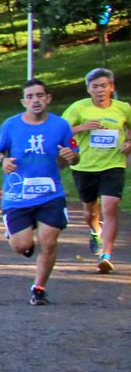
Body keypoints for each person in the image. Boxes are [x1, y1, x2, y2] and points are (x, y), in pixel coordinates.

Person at [0, 78, 80, 305]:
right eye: (30, 97)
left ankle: (39, 288)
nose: (35, 100)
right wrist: (3, 161)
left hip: (50, 194)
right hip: (17, 195)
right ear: (23, 102)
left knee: (48, 242)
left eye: (40, 95)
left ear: (48, 98)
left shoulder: (60, 125)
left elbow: (75, 154)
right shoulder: (10, 125)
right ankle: (19, 237)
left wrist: (72, 156)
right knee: (21, 246)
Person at [61, 68, 131, 273]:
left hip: (113, 164)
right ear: (88, 89)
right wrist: (81, 128)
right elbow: (58, 131)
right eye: (95, 86)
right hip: (84, 166)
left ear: (111, 87)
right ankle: (94, 230)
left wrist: (129, 141)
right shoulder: (78, 108)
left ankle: (106, 255)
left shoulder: (123, 108)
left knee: (110, 207)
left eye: (104, 86)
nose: (100, 90)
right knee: (90, 211)